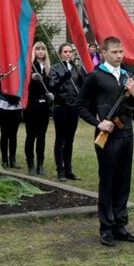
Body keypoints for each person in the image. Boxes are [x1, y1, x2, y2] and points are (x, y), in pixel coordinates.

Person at [76, 36, 134, 247]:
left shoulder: (126, 75)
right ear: (103, 53)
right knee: (108, 181)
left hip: (126, 134)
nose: (119, 55)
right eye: (114, 52)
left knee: (124, 181)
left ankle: (120, 225)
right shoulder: (95, 77)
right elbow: (80, 105)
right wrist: (98, 123)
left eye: (121, 51)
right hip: (107, 136)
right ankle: (106, 228)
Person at [49, 43, 86, 181]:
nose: (68, 54)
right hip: (61, 106)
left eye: (70, 51)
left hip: (73, 106)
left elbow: (83, 85)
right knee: (60, 139)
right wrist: (64, 77)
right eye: (65, 52)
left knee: (70, 139)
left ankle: (69, 169)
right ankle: (60, 170)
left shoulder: (77, 68)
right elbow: (52, 86)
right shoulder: (55, 68)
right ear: (60, 54)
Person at [24, 41, 51, 176]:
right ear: (34, 51)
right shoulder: (30, 67)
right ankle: (30, 164)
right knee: (31, 135)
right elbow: (24, 86)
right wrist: (31, 78)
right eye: (38, 49)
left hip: (44, 107)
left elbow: (51, 86)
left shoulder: (47, 68)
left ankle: (41, 163)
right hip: (31, 105)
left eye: (43, 49)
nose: (40, 51)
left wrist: (52, 95)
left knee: (42, 136)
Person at [0, 93, 22, 168]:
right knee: (4, 135)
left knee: (13, 135)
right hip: (4, 105)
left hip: (16, 106)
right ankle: (4, 160)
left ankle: (12, 160)